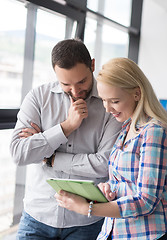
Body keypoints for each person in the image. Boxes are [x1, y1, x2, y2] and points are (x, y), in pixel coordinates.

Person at [54, 58, 167, 239]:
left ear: (137, 94)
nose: (107, 109)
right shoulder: (127, 129)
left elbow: (146, 201)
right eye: (104, 101)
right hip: (118, 232)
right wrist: (110, 188)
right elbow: (127, 183)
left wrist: (87, 208)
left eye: (114, 101)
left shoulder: (155, 133)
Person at [10, 39, 122, 239]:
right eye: (66, 84)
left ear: (92, 65)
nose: (76, 91)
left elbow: (105, 165)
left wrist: (50, 157)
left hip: (86, 222)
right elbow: (19, 153)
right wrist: (66, 127)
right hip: (37, 217)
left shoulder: (111, 104)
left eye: (82, 82)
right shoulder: (38, 98)